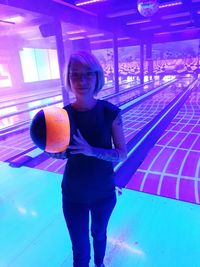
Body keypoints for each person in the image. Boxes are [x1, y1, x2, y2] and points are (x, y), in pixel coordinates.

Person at [48, 51, 127, 267]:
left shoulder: (111, 112)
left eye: (88, 74)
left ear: (97, 76)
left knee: (99, 235)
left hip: (104, 193)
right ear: (68, 79)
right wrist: (56, 153)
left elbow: (122, 153)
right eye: (75, 75)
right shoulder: (60, 117)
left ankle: (100, 264)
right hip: (73, 195)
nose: (82, 80)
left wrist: (92, 150)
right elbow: (64, 152)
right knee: (80, 249)